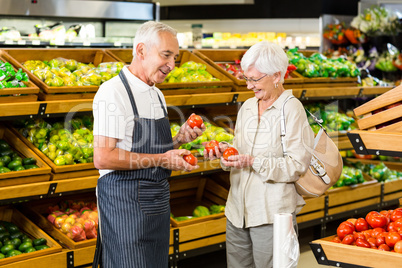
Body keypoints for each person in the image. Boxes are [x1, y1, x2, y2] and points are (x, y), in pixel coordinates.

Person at [92, 21, 205, 268]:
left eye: (175, 57)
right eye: (166, 55)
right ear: (141, 51)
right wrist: (163, 159)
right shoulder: (112, 93)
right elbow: (103, 157)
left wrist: (177, 140)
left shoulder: (156, 93)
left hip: (157, 204)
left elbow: (151, 149)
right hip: (124, 206)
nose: (172, 65)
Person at [205, 41, 315, 268]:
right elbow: (240, 148)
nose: (248, 85)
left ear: (276, 76)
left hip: (270, 214)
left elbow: (296, 165)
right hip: (237, 211)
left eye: (255, 79)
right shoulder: (247, 106)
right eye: (246, 78)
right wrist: (226, 152)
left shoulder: (291, 110)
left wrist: (253, 161)